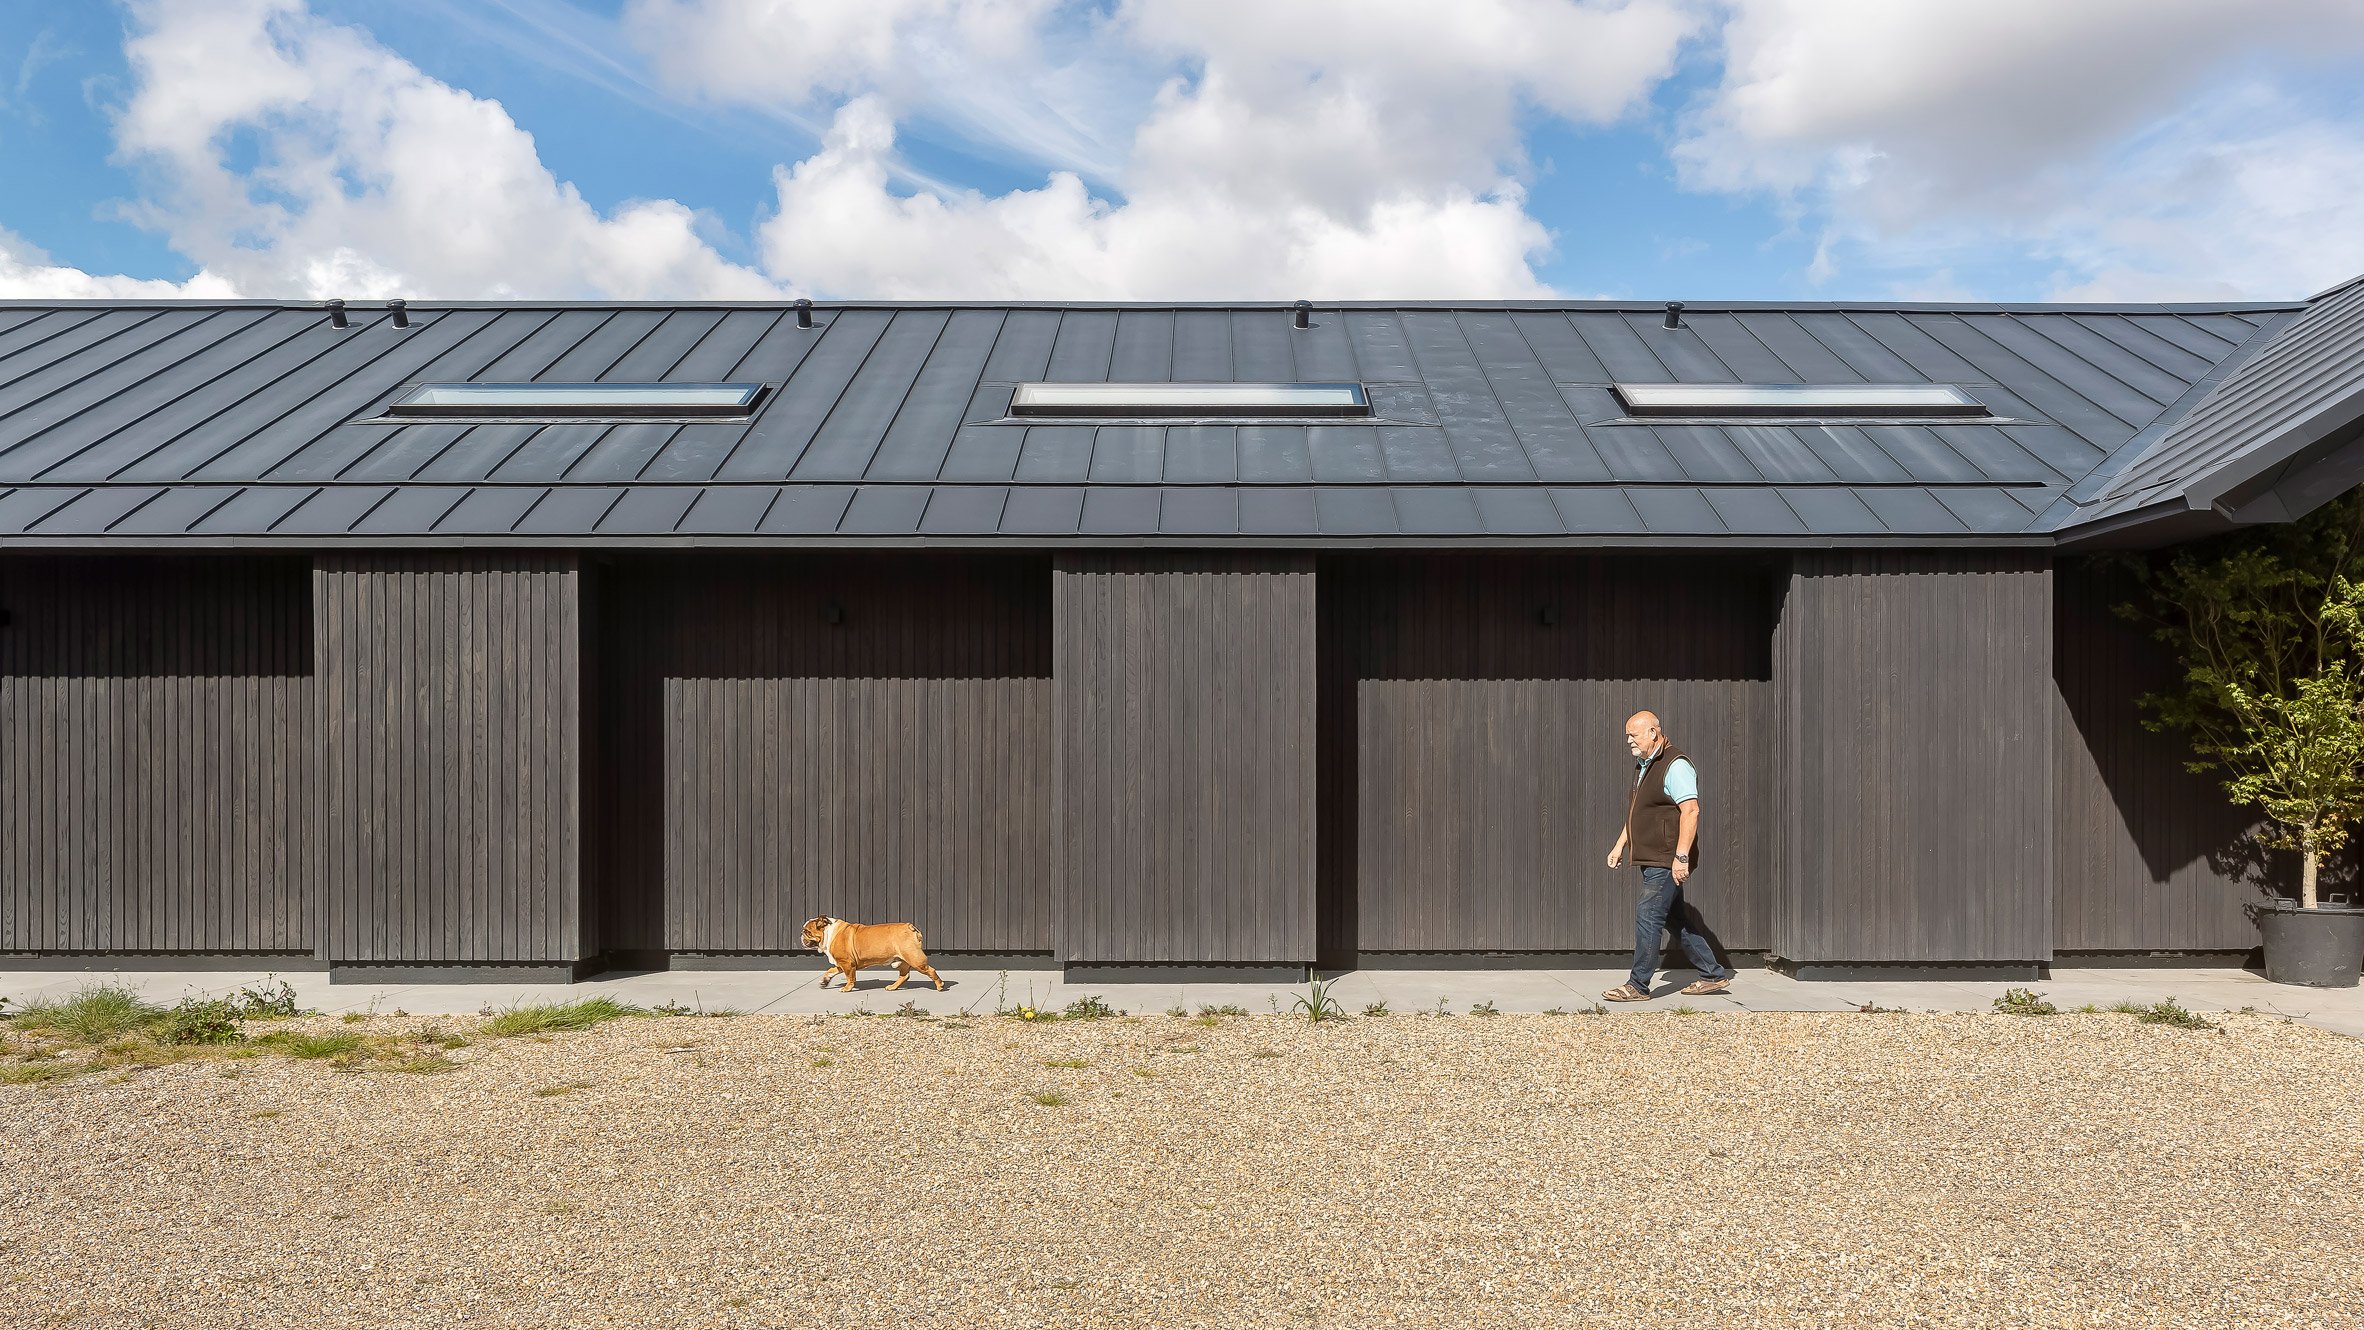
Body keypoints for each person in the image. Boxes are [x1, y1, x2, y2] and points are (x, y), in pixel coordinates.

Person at [1601, 710, 1732, 1001]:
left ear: (1653, 732)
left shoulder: (1676, 765)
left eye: (1633, 735)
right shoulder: (1644, 764)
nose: (1628, 741)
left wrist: (1681, 857)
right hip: (1652, 856)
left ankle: (1638, 985)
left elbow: (1691, 810)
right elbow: (1639, 813)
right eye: (1627, 735)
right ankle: (1712, 973)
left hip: (1666, 858)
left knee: (1648, 914)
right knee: (1675, 918)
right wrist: (1620, 844)